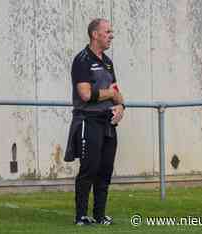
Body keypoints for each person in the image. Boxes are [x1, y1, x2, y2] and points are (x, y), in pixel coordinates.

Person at [64, 18, 125, 226]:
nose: (111, 35)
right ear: (95, 34)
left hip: (108, 122)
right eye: (107, 32)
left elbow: (118, 93)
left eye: (111, 32)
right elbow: (85, 94)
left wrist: (121, 107)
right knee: (89, 169)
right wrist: (110, 94)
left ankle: (100, 215)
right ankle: (81, 215)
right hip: (88, 121)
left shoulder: (108, 61)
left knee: (105, 170)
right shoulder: (82, 60)